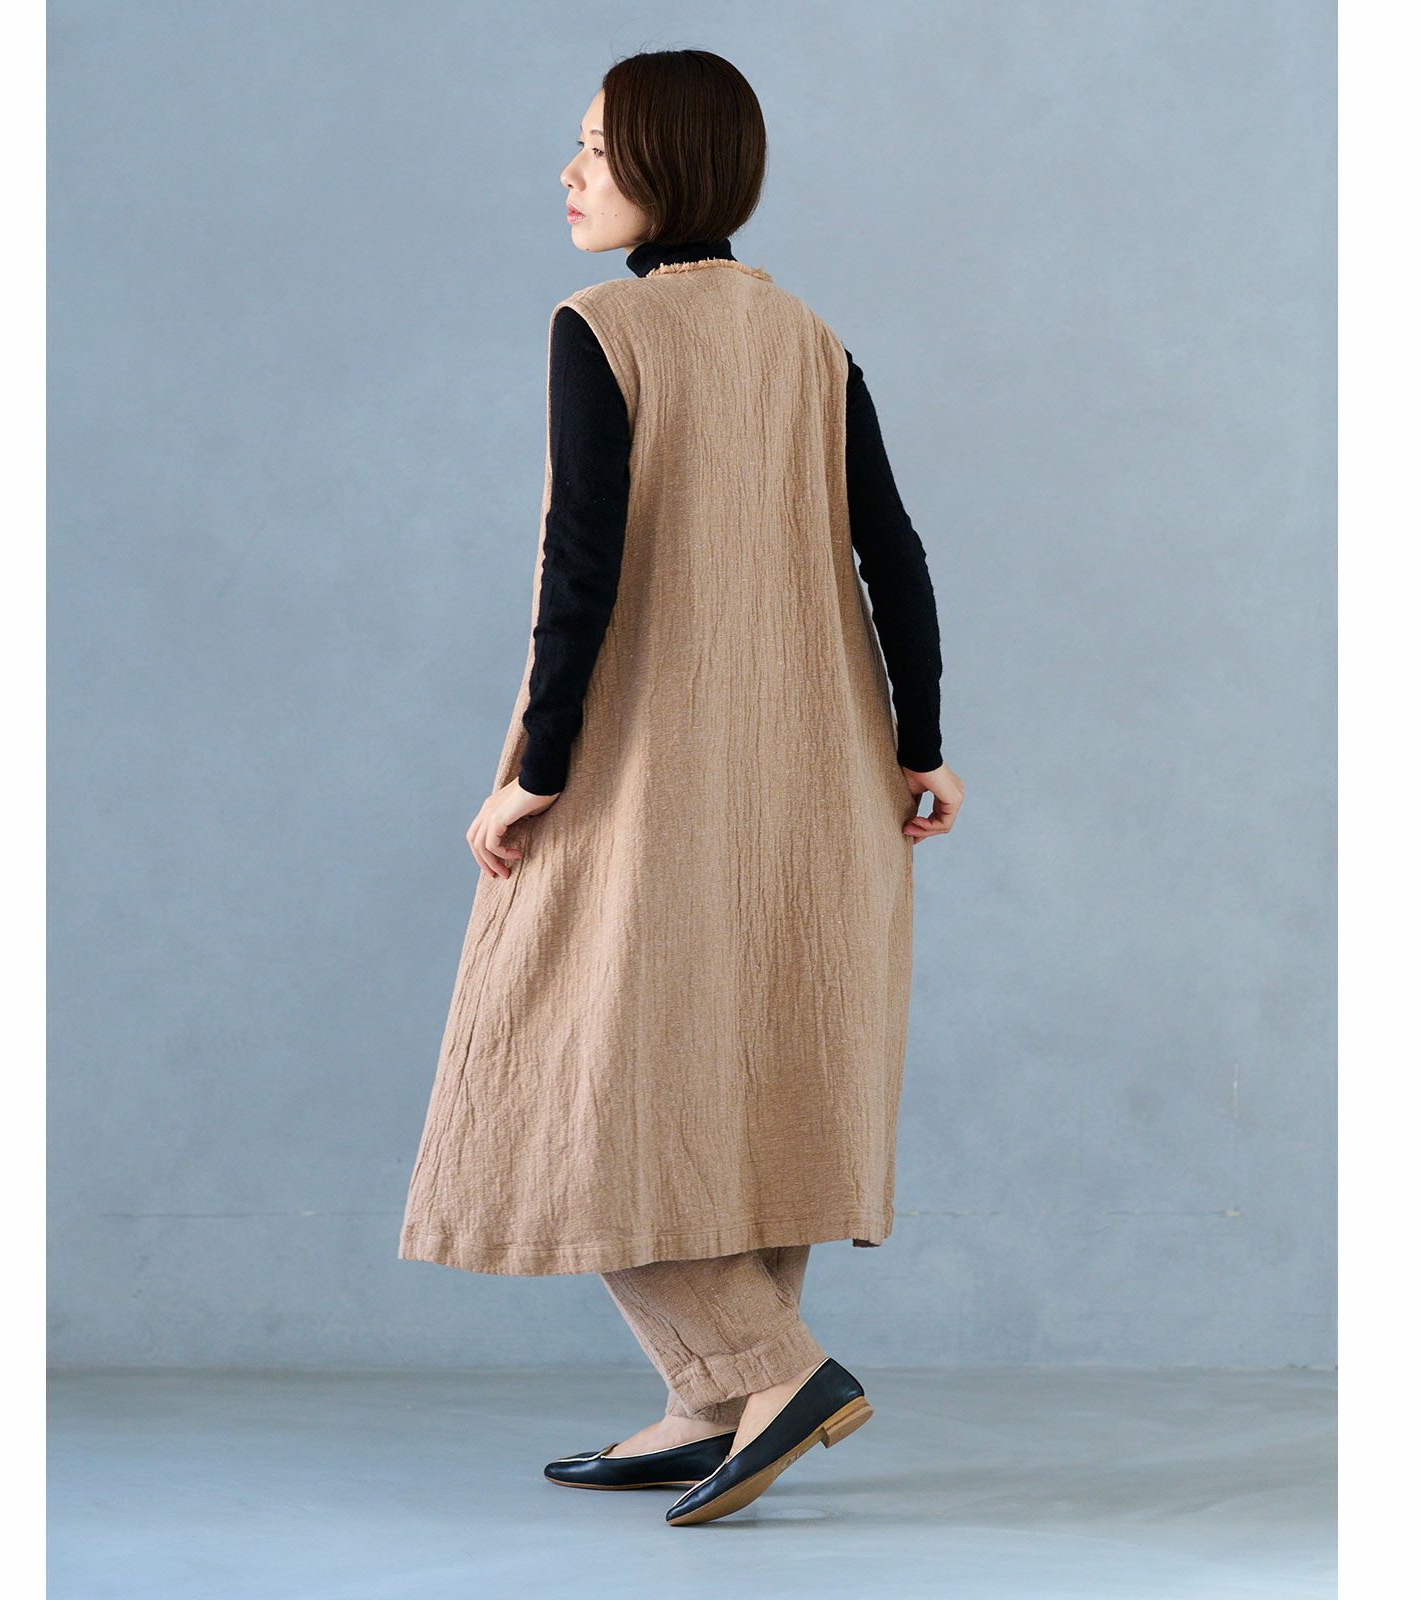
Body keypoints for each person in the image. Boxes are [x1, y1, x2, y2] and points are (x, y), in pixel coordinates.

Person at [398, 49, 963, 1527]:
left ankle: (776, 1370)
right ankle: (710, 1401)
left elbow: (578, 570)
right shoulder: (809, 338)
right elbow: (893, 553)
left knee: (584, 1076)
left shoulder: (605, 327)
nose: (569, 171)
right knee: (752, 1070)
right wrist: (921, 745)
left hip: (648, 770)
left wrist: (534, 773)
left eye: (595, 146)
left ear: (665, 163)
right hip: (820, 769)